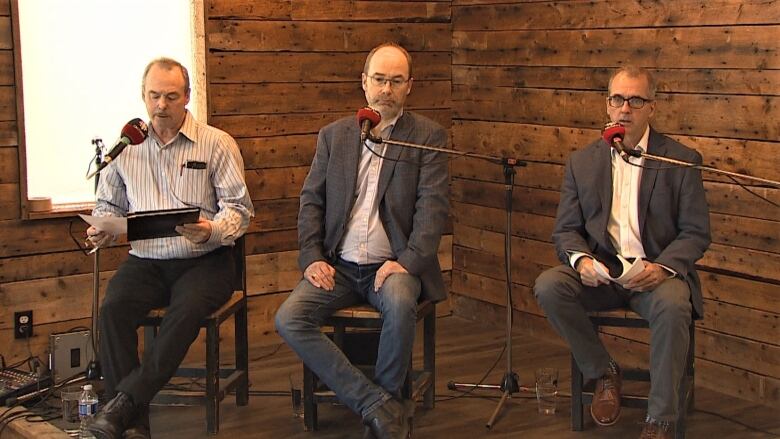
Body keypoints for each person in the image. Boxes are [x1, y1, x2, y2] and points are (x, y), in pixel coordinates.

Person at [275, 42, 449, 439]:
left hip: (394, 264)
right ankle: (380, 407)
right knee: (289, 318)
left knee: (401, 304)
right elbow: (311, 200)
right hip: (337, 264)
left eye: (396, 81)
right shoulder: (334, 136)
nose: (386, 89)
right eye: (379, 80)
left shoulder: (427, 137)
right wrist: (311, 257)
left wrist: (406, 262)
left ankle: (380, 420)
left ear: (410, 87)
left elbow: (432, 210)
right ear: (364, 83)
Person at [533, 66, 711, 439]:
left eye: (635, 100)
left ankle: (660, 418)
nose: (625, 108)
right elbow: (565, 230)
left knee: (675, 304)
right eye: (617, 99)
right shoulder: (581, 162)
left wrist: (663, 268)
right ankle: (602, 371)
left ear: (652, 107)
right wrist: (581, 260)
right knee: (549, 285)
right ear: (607, 106)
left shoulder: (680, 159)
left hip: (656, 275)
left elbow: (696, 233)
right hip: (603, 273)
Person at [84, 57, 254, 439]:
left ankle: (123, 404)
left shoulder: (216, 143)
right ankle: (135, 426)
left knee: (185, 312)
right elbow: (108, 206)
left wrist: (211, 229)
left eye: (171, 97)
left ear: (187, 96)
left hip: (205, 260)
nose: (161, 105)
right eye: (154, 96)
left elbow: (241, 212)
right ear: (144, 96)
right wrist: (102, 229)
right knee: (112, 310)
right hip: (146, 260)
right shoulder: (124, 147)